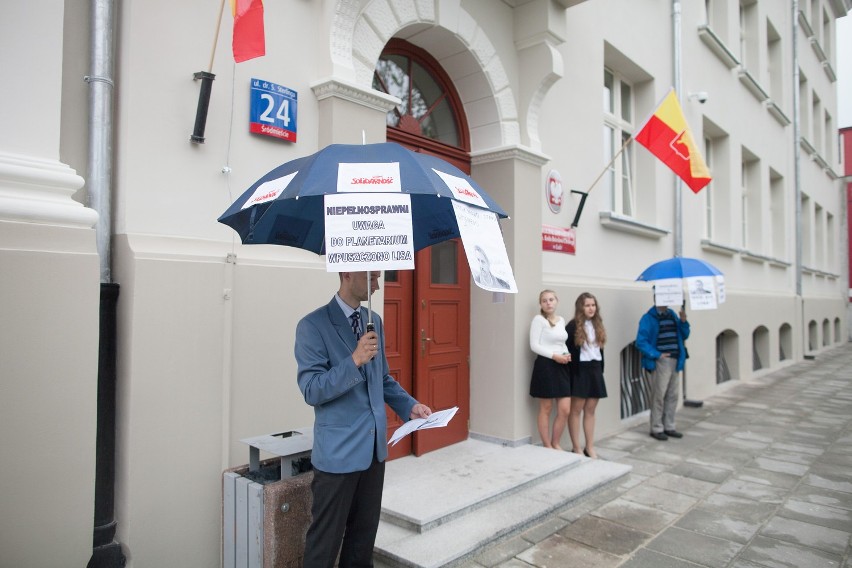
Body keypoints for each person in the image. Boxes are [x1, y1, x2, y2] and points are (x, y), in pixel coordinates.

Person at [295, 271, 432, 568]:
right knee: (324, 545)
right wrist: (354, 360)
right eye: (372, 279)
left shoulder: (374, 321)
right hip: (337, 455)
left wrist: (410, 406)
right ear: (347, 273)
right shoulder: (312, 326)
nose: (378, 286)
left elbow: (381, 379)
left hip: (373, 452)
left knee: (362, 542)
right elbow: (312, 389)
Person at [635, 302, 691, 441]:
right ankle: (656, 428)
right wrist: (656, 354)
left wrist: (683, 321)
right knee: (658, 395)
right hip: (661, 362)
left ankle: (669, 426)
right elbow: (641, 341)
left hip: (676, 360)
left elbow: (684, 335)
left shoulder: (672, 315)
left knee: (673, 395)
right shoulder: (648, 318)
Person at [565, 292, 608, 458]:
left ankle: (589, 446)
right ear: (580, 307)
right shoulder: (572, 326)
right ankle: (576, 447)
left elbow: (600, 350)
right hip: (580, 371)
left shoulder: (598, 324)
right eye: (587, 305)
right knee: (576, 410)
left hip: (595, 369)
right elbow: (567, 349)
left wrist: (600, 369)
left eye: (593, 305)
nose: (591, 308)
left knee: (590, 410)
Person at [528, 289, 572, 450]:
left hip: (562, 366)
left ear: (556, 301)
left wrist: (566, 353)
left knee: (565, 409)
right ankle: (548, 445)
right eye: (545, 300)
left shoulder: (561, 320)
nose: (548, 303)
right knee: (546, 408)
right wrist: (555, 356)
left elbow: (561, 342)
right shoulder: (538, 320)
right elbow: (534, 346)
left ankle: (556, 442)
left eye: (551, 299)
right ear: (540, 304)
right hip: (546, 367)